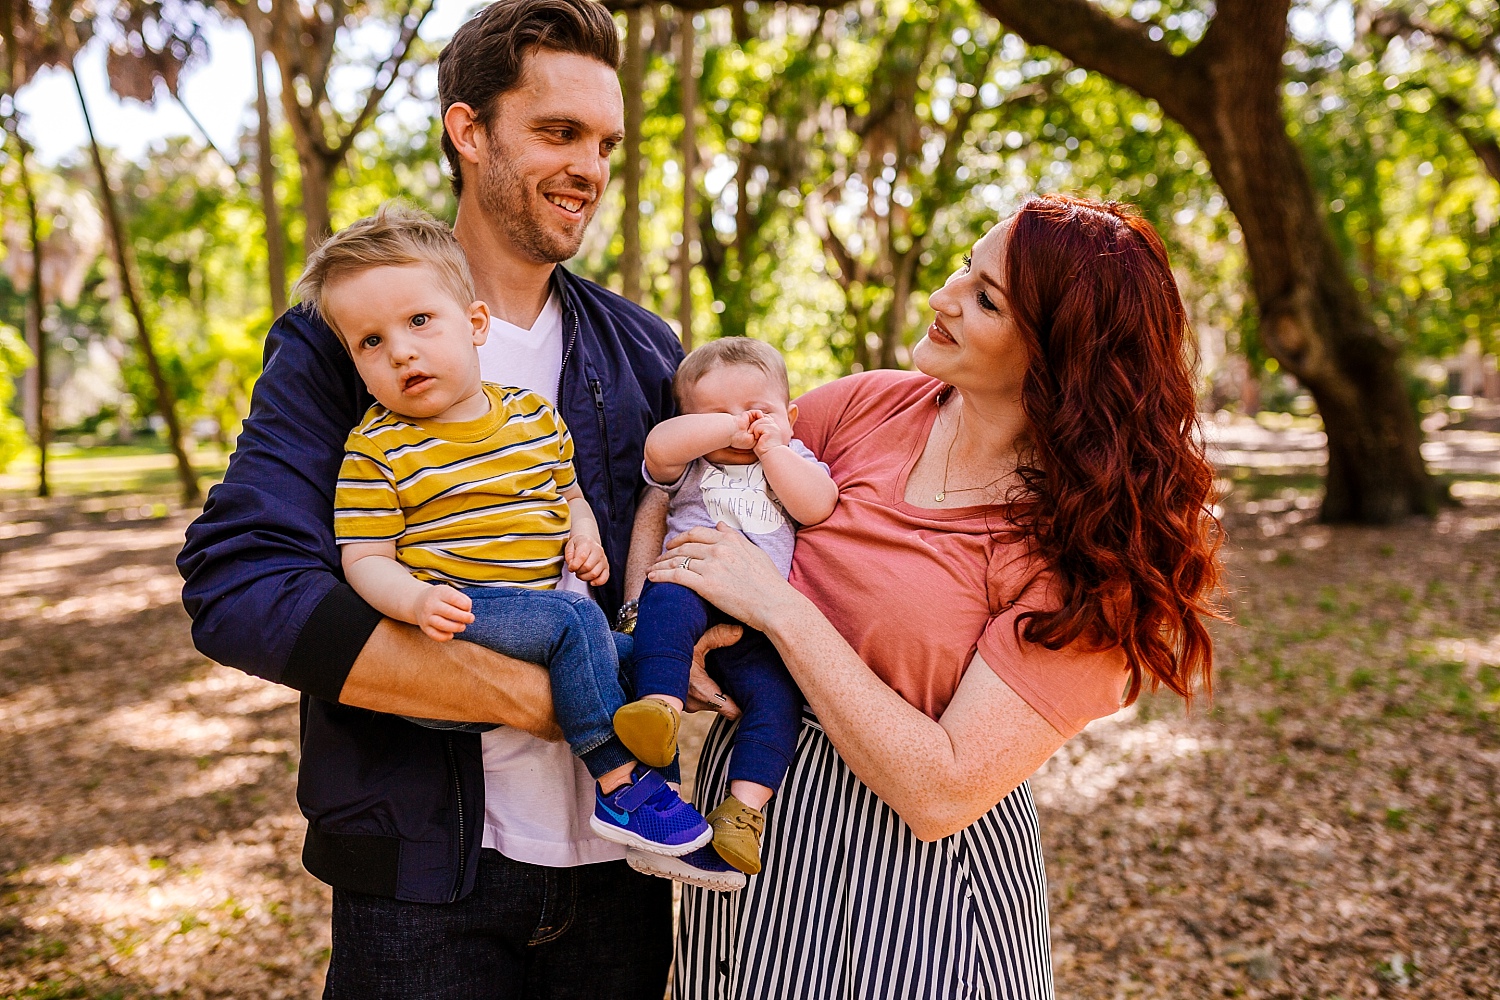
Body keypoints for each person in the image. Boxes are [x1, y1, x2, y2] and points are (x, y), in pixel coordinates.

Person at [177, 2, 734, 995]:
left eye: (605, 141)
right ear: (467, 131)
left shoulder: (646, 349)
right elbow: (240, 585)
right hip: (423, 884)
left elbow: (688, 537)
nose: (590, 169)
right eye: (558, 132)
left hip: (623, 889)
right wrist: (560, 702)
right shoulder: (344, 343)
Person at [646, 195, 1224, 999]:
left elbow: (942, 791)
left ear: (1058, 356)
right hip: (755, 834)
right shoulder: (861, 408)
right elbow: (693, 498)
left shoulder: (1083, 554)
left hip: (918, 892)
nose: (944, 298)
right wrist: (673, 622)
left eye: (987, 299)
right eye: (965, 267)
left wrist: (777, 611)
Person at [297, 204, 712, 858]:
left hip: (531, 622)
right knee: (579, 623)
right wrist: (413, 601)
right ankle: (617, 787)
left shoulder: (531, 417)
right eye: (370, 342)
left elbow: (570, 494)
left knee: (637, 656)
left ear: (475, 323)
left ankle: (670, 796)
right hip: (452, 628)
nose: (400, 349)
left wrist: (585, 537)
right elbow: (364, 556)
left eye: (419, 321)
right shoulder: (376, 450)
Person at [615, 338, 837, 886]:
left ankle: (743, 813)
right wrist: (723, 429)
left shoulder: (792, 460)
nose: (742, 425)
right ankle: (659, 709)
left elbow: (817, 504)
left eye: (757, 411)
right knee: (661, 603)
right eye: (715, 414)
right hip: (688, 584)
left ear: (790, 416)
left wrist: (773, 449)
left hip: (757, 621)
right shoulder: (687, 464)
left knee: (777, 699)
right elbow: (658, 446)